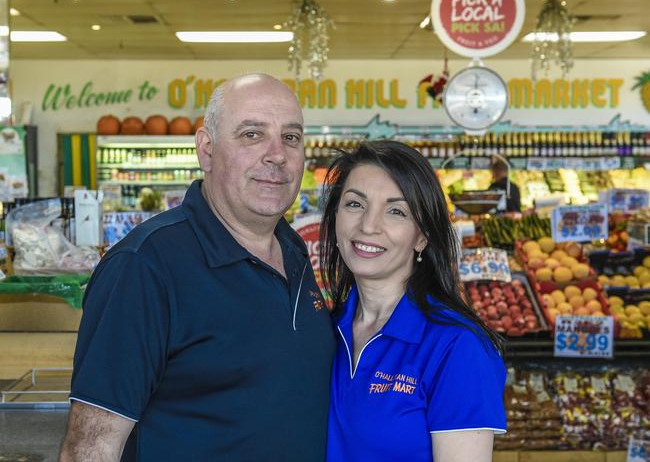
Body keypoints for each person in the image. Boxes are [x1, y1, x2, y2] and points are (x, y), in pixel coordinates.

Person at [59, 74, 336, 461]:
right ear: (206, 150)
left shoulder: (294, 249)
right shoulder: (144, 267)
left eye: (291, 137)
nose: (277, 154)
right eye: (252, 135)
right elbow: (90, 448)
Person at [320, 141, 506, 462]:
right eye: (354, 204)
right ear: (335, 217)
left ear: (422, 236)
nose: (368, 225)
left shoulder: (457, 346)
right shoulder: (323, 332)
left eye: (396, 211)